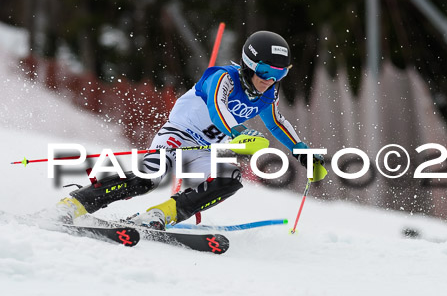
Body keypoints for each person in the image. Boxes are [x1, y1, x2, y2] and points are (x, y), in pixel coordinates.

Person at [58, 30, 327, 229]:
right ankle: (76, 203)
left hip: (205, 151)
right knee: (149, 177)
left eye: (281, 74)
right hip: (178, 136)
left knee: (229, 179)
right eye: (267, 72)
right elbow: (217, 109)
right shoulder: (222, 77)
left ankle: (161, 214)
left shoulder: (267, 95)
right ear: (250, 64)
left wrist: (303, 153)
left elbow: (277, 123)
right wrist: (236, 133)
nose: (271, 81)